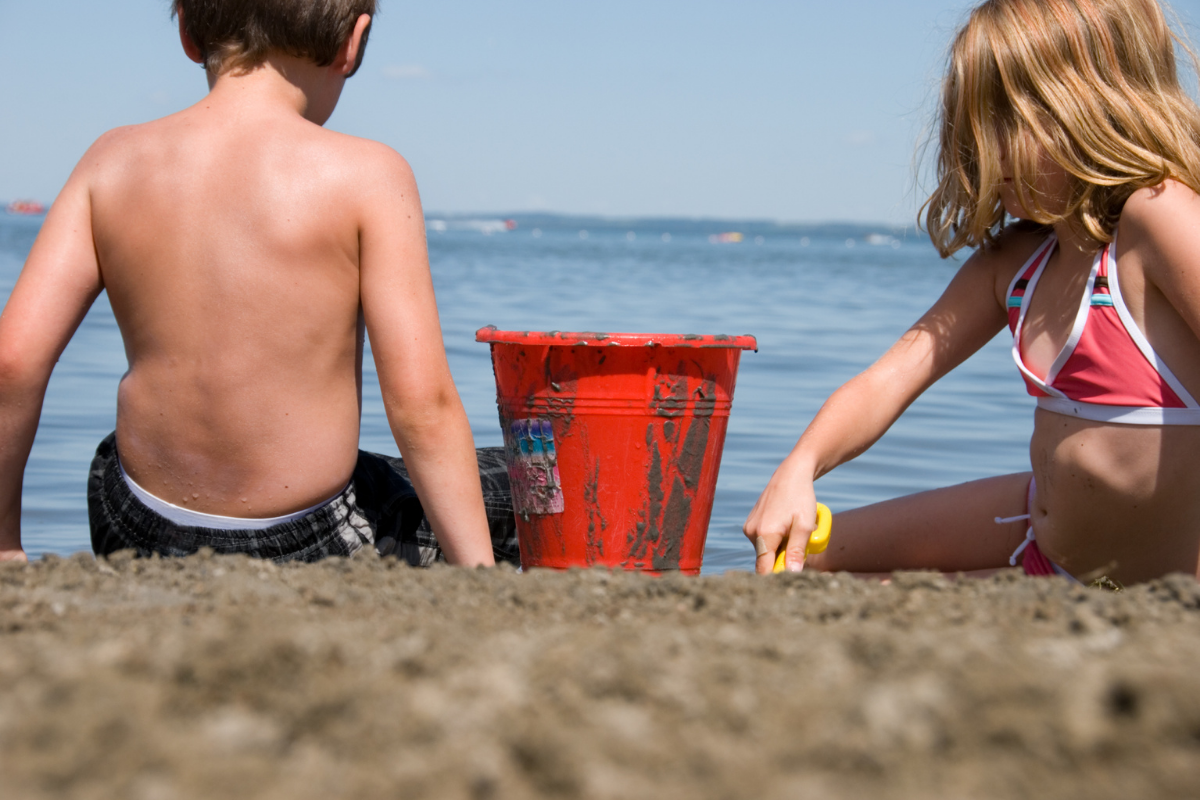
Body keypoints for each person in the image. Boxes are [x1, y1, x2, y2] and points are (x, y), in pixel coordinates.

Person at [0, 0, 518, 568]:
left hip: (135, 523)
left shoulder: (109, 160)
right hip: (310, 539)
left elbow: (13, 361)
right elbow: (422, 404)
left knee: (114, 451)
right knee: (527, 482)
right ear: (353, 42)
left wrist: (4, 546)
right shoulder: (370, 175)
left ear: (190, 38)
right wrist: (479, 578)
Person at [745, 0, 1200, 586]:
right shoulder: (1016, 261)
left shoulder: (1159, 220)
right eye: (971, 125)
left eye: (1007, 122)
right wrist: (797, 469)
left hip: (1151, 576)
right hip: (1035, 537)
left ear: (1096, 105)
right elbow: (889, 379)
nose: (983, 151)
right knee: (789, 558)